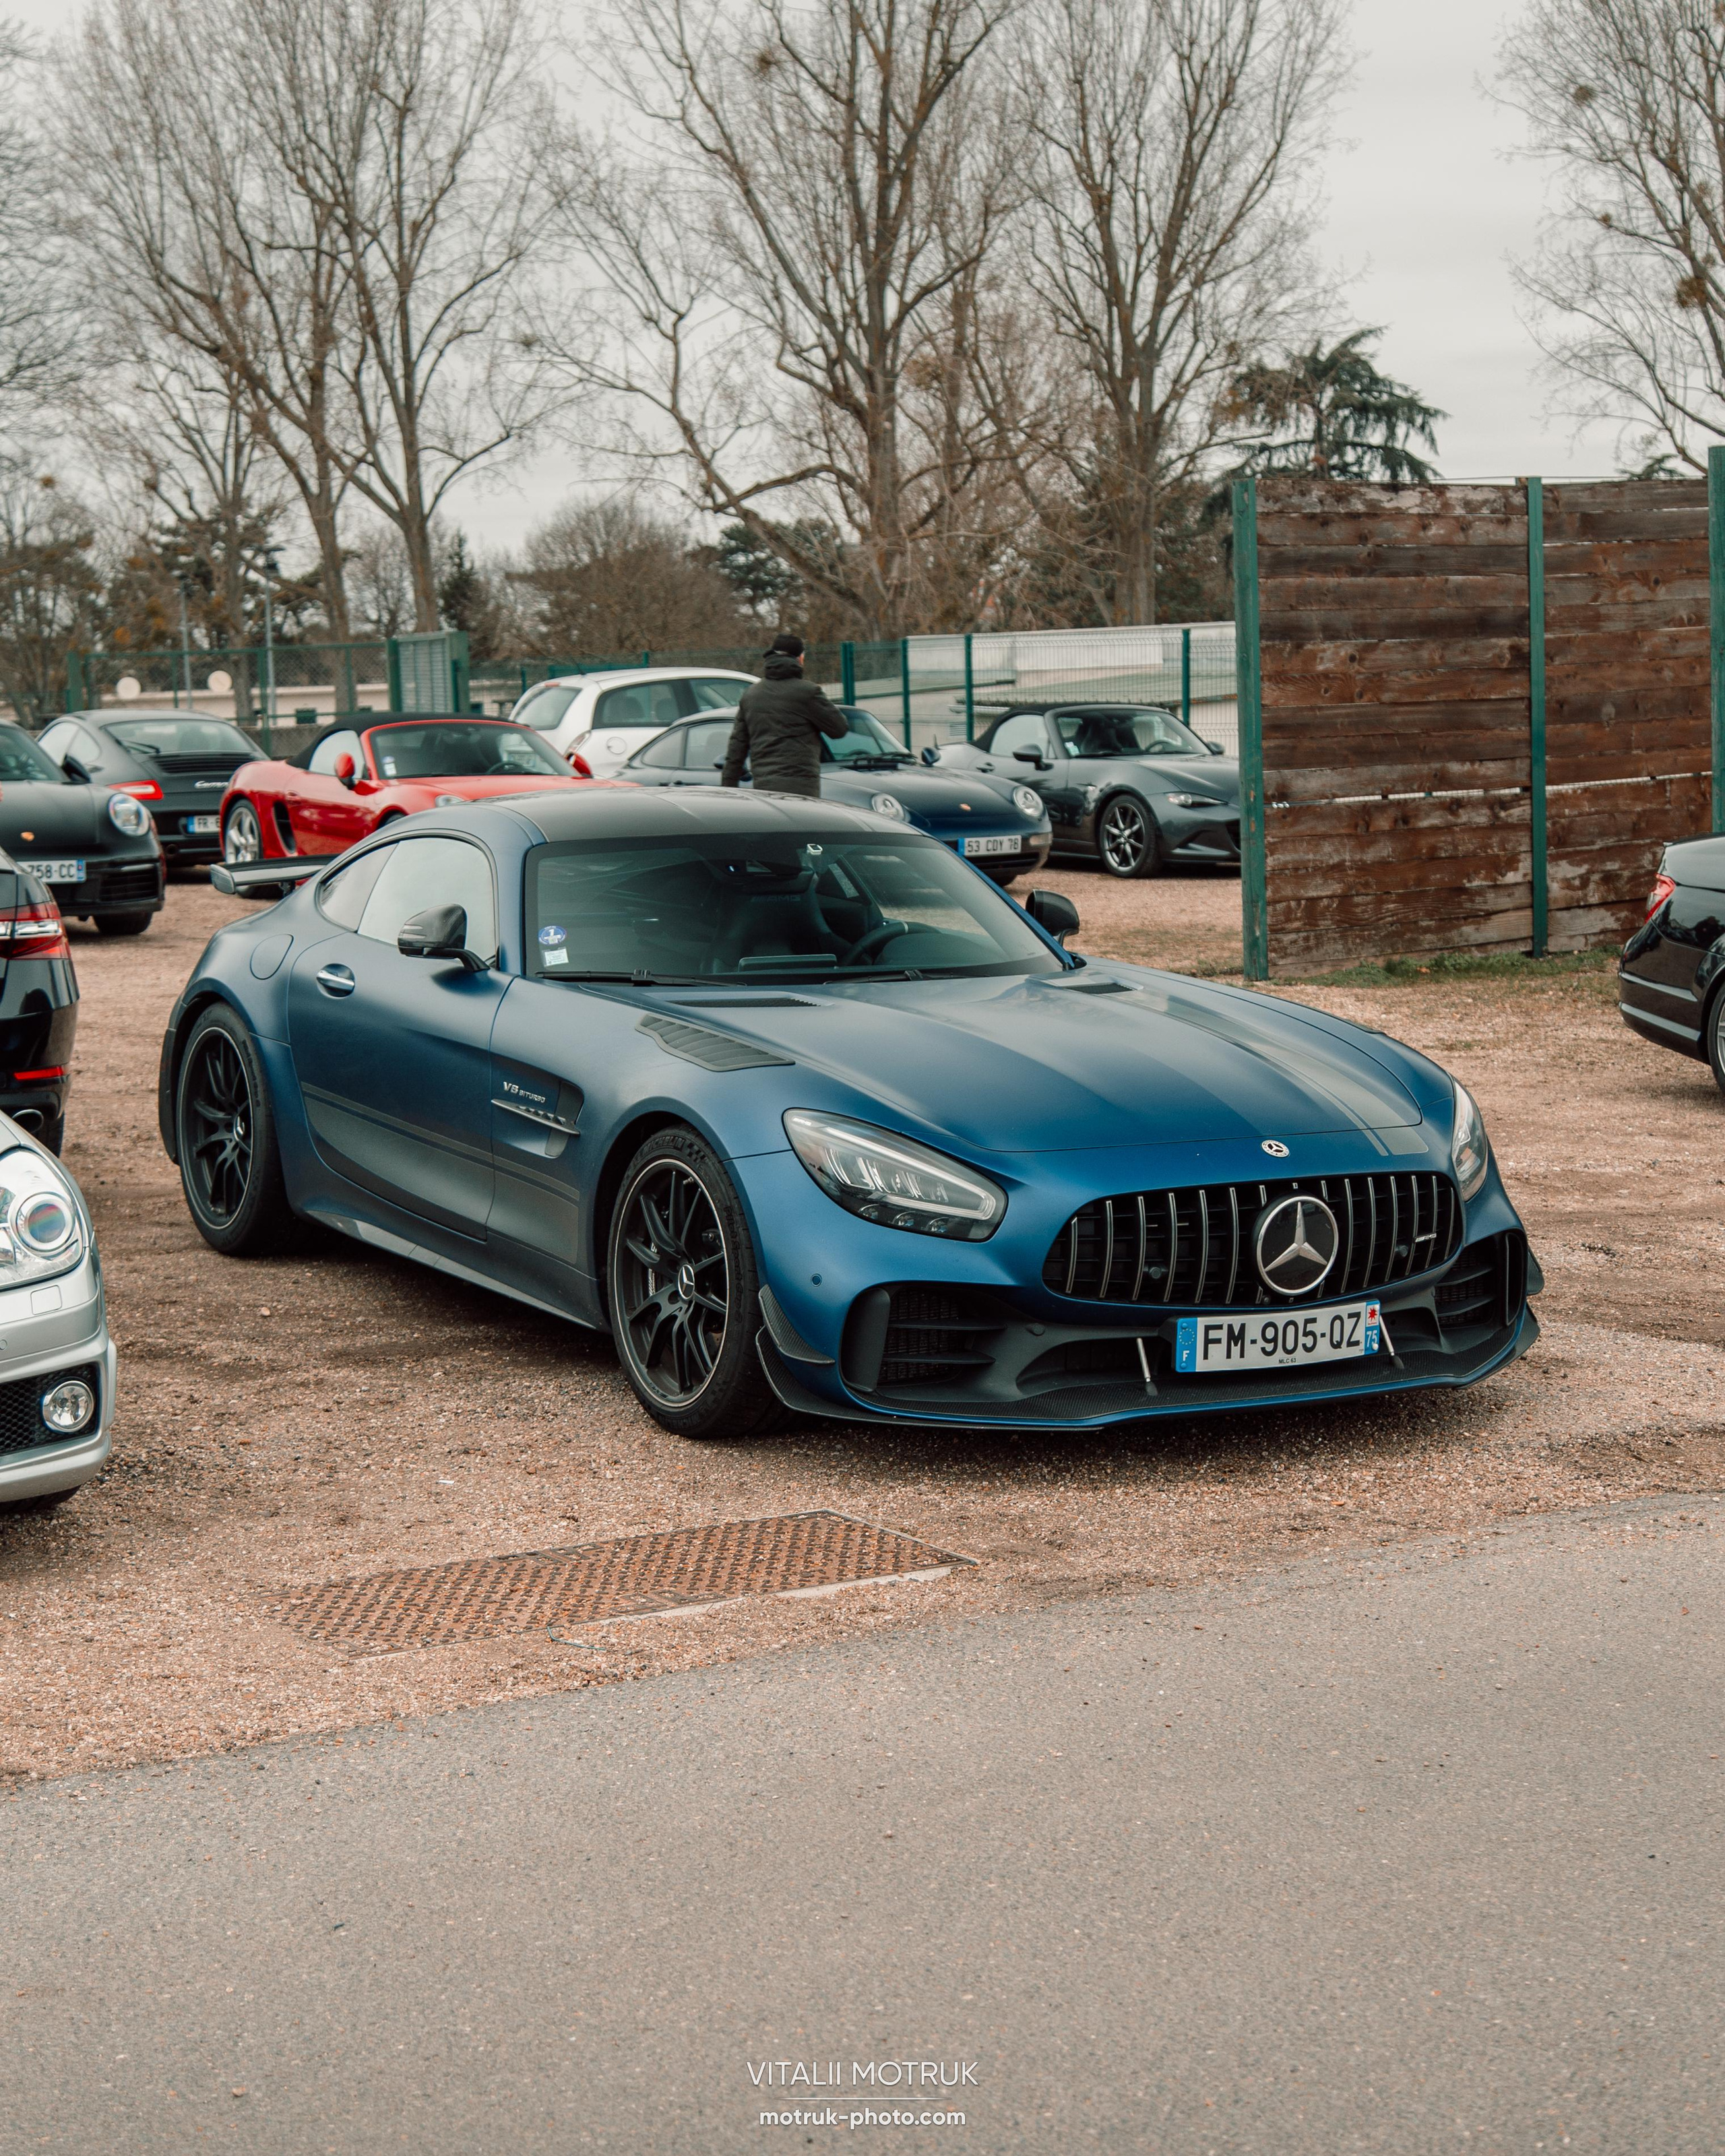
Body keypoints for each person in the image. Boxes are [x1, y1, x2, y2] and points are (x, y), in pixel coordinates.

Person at [721, 633, 847, 798]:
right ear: (800, 659)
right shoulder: (808, 692)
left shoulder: (751, 695)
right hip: (802, 790)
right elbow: (840, 729)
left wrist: (728, 790)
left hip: (764, 790)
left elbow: (736, 749)